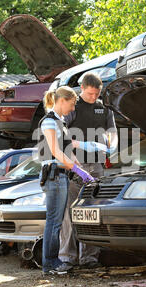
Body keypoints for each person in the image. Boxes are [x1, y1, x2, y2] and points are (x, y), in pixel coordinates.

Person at [59, 73, 118, 270]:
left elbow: (112, 131)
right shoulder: (72, 107)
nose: (94, 97)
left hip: (97, 165)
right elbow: (61, 133)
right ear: (82, 88)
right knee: (70, 212)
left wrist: (113, 144)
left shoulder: (104, 108)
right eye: (91, 93)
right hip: (76, 165)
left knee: (93, 211)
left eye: (97, 94)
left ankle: (90, 258)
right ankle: (67, 258)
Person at [38, 86, 95, 276]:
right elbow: (55, 151)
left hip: (61, 176)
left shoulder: (61, 123)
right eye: (71, 105)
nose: (72, 109)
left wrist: (82, 170)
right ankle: (50, 263)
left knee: (58, 222)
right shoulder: (49, 122)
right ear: (62, 101)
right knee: (54, 222)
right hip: (53, 175)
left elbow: (68, 150)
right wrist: (76, 168)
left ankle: (54, 262)